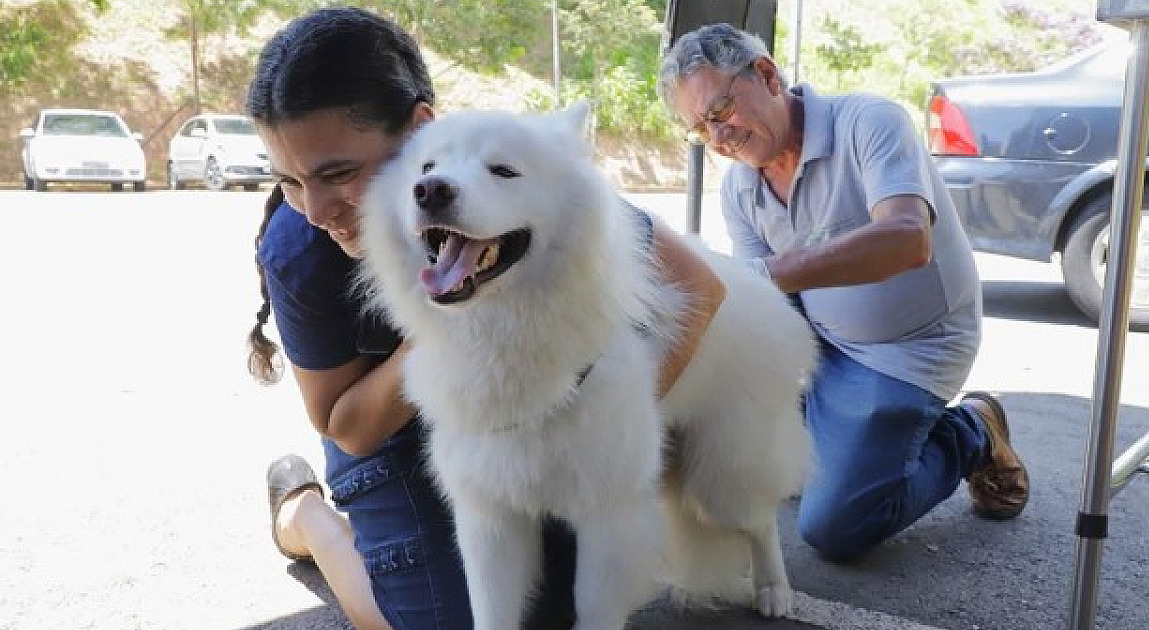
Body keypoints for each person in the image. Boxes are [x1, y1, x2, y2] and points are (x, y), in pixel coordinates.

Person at [245, 8, 727, 630]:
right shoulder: (300, 248)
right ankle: (305, 517)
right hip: (395, 436)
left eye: (338, 174)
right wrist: (447, 320)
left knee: (567, 596)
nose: (314, 209)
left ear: (421, 130)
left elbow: (699, 288)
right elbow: (348, 426)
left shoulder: (518, 176)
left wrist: (611, 433)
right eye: (289, 180)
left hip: (534, 418)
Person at [657, 23, 1030, 562]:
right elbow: (767, 307)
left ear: (766, 75)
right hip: (826, 347)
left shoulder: (869, 122)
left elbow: (908, 240)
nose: (718, 138)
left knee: (835, 527)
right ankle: (832, 432)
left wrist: (764, 277)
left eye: (720, 112)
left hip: (911, 349)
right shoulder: (740, 187)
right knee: (738, 466)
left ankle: (972, 430)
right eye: (700, 130)